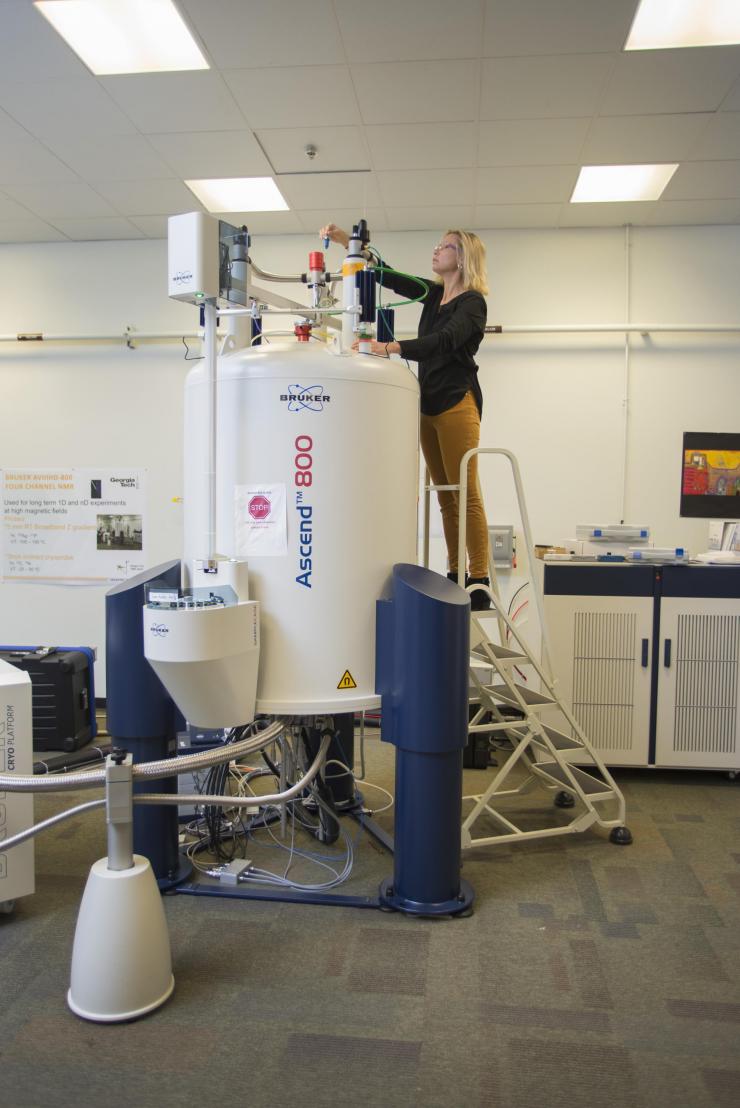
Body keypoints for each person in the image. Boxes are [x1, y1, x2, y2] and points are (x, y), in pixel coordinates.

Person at [319, 223, 491, 609]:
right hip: (426, 403)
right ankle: (455, 572)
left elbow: (443, 342)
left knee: (467, 494)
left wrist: (389, 347)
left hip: (456, 401)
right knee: (447, 498)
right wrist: (353, 245)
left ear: (462, 257)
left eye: (445, 246)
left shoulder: (472, 303)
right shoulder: (433, 294)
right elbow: (390, 277)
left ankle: (478, 579)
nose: (436, 251)